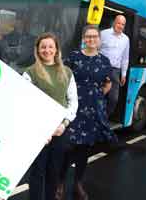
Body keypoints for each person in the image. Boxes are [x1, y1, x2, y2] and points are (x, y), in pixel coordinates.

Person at [57, 25, 117, 200]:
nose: (91, 39)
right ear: (84, 38)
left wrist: (97, 96)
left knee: (84, 150)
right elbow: (63, 78)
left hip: (92, 111)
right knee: (68, 147)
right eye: (88, 36)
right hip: (74, 108)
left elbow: (108, 83)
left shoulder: (105, 61)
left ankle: (78, 184)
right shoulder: (74, 57)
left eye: (94, 37)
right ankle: (60, 183)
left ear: (99, 40)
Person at [22, 32, 78, 200]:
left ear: (56, 49)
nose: (47, 50)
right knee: (37, 172)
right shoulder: (29, 73)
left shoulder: (67, 72)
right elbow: (24, 104)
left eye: (50, 47)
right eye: (43, 47)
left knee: (54, 172)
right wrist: (40, 130)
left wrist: (64, 124)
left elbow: (73, 102)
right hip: (38, 133)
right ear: (38, 50)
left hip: (60, 131)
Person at [100, 15, 130, 116]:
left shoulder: (126, 39)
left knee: (114, 99)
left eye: (123, 24)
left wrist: (124, 74)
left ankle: (105, 117)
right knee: (99, 95)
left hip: (115, 71)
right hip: (101, 68)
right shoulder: (104, 34)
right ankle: (96, 118)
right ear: (114, 22)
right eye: (118, 23)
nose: (120, 26)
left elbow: (125, 58)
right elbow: (96, 49)